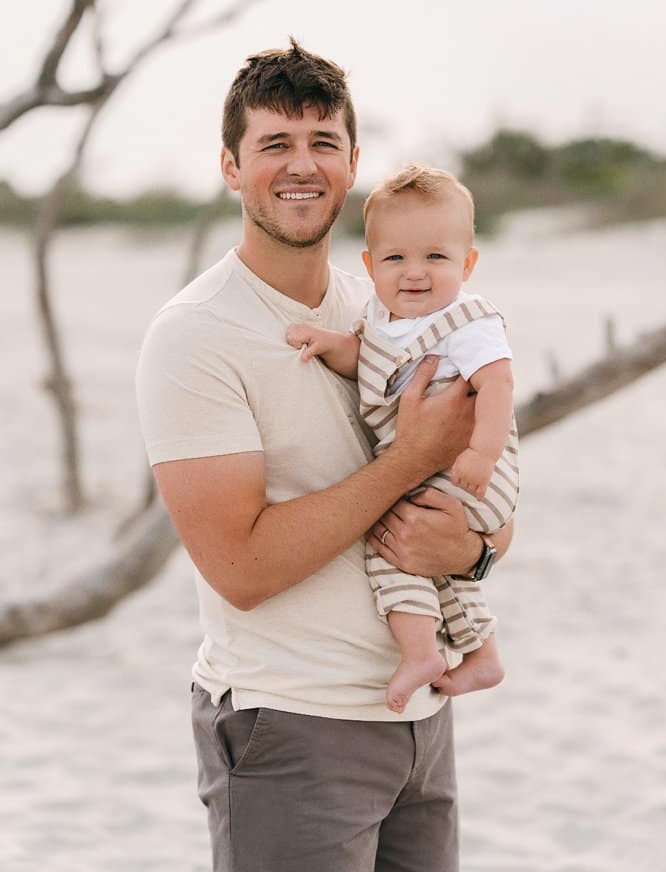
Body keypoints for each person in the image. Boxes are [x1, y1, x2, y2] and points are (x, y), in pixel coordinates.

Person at [135, 43, 508, 872]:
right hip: (293, 729)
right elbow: (241, 565)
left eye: (322, 143)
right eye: (275, 145)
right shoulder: (196, 335)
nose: (301, 165)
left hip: (421, 725)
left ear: (351, 164)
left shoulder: (392, 304)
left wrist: (474, 555)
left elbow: (483, 507)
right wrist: (410, 461)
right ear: (232, 167)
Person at [285, 162, 518, 714]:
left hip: (471, 468)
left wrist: (482, 454)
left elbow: (498, 384)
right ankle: (481, 654)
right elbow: (363, 360)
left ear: (468, 263)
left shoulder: (467, 321)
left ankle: (420, 653)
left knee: (390, 546)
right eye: (395, 258)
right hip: (435, 469)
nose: (415, 273)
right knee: (430, 558)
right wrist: (327, 343)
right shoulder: (382, 319)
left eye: (435, 257)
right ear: (370, 266)